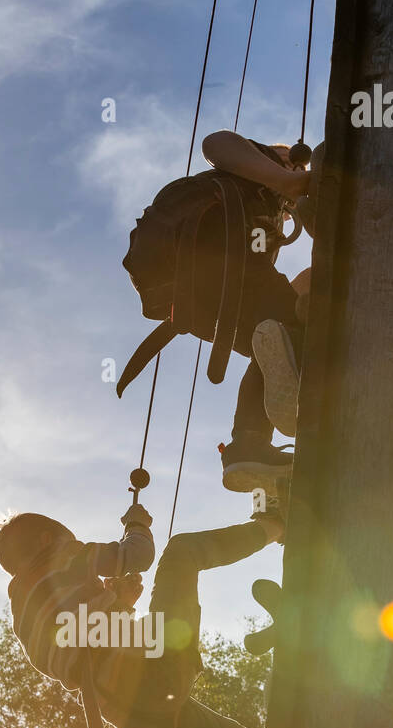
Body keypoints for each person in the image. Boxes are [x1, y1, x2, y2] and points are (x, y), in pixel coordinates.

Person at [0, 499, 283, 728]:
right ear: (46, 540)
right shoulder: (62, 555)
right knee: (182, 552)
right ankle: (277, 524)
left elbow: (81, 653)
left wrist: (119, 603)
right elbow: (139, 554)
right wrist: (137, 523)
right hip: (159, 664)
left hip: (143, 719)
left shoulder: (25, 627)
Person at [119, 132, 319, 493]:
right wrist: (290, 178)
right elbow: (215, 143)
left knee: (273, 344)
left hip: (195, 296)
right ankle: (275, 420)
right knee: (305, 320)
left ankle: (248, 444)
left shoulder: (263, 212)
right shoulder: (246, 169)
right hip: (215, 261)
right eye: (291, 161)